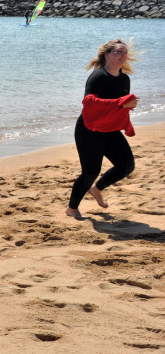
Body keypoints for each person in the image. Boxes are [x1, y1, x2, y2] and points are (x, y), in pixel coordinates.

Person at [65, 39, 138, 219]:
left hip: (110, 129)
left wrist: (126, 107)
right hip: (89, 130)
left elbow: (119, 108)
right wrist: (121, 103)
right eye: (118, 52)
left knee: (126, 165)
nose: (122, 55)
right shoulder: (98, 76)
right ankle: (72, 208)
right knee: (90, 171)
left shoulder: (124, 79)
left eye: (124, 52)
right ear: (107, 55)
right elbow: (89, 103)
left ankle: (96, 189)